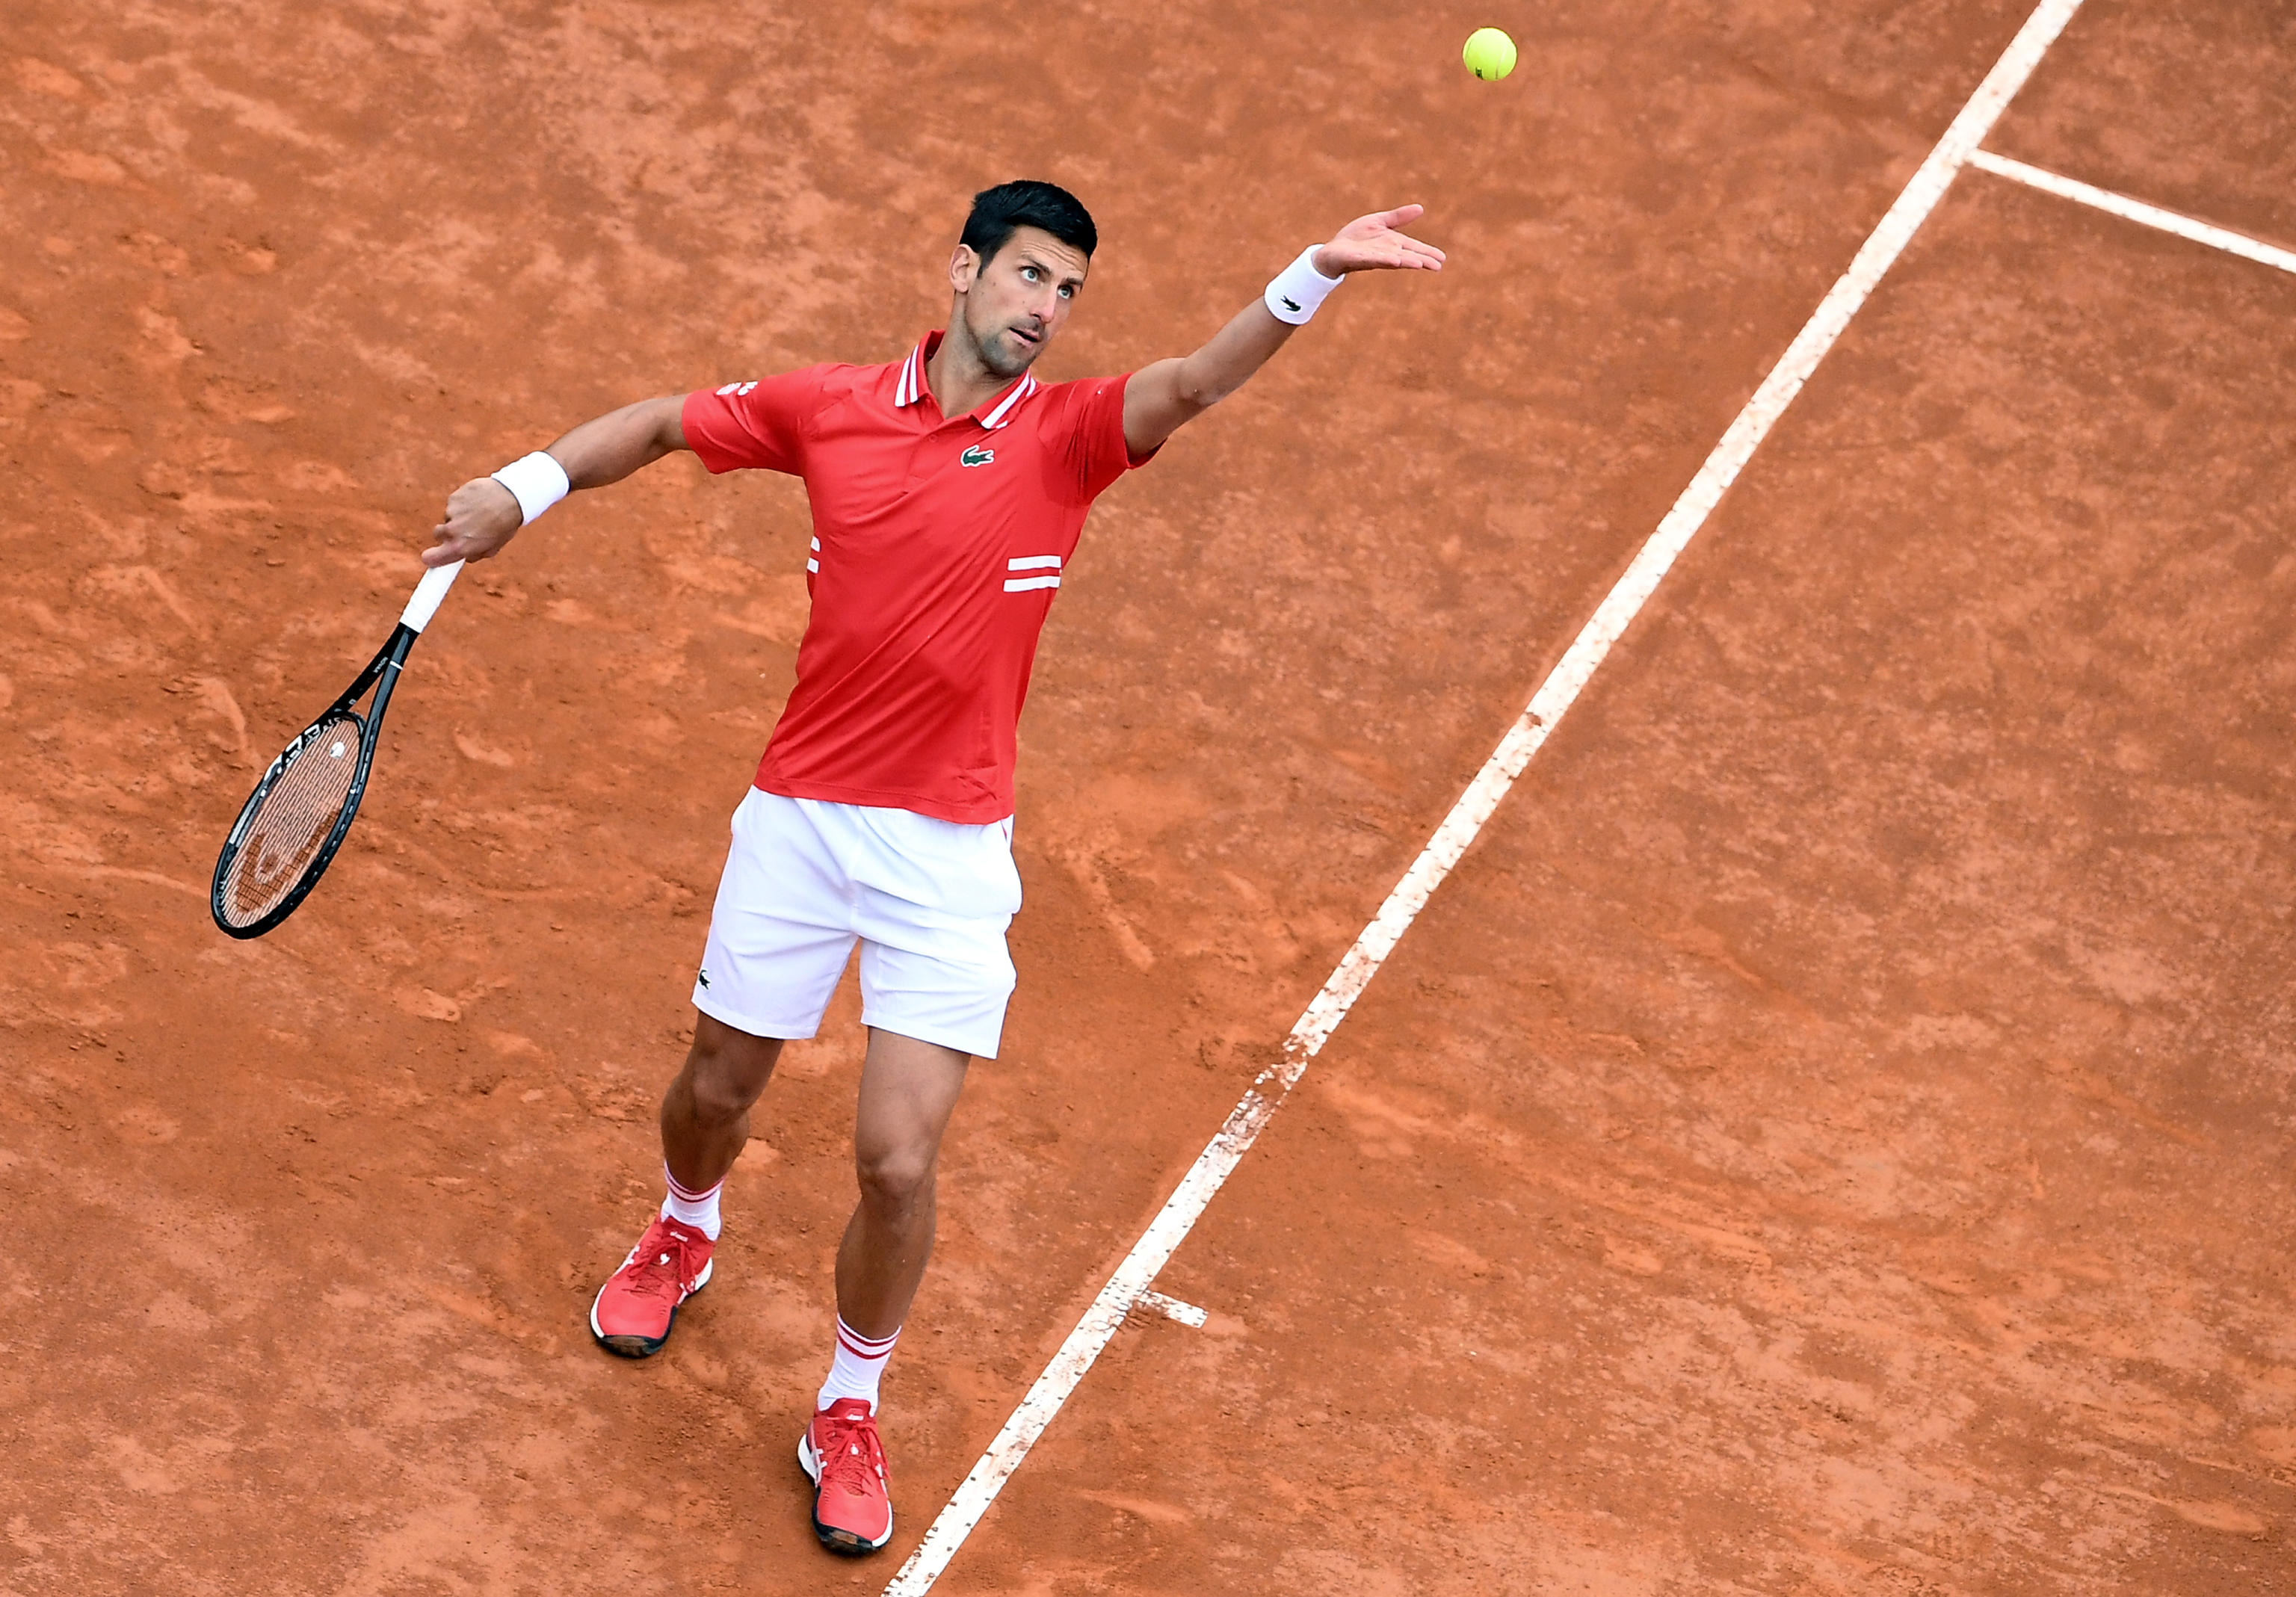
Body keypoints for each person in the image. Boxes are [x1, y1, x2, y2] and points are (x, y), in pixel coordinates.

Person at [422, 179, 1442, 1557]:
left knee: (897, 1160)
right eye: (1028, 277)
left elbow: (1196, 385)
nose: (1045, 309)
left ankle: (849, 1399)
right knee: (717, 1089)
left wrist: (1309, 274)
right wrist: (521, 487)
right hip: (798, 818)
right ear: (964, 270)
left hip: (949, 852)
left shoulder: (1074, 438)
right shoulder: (832, 405)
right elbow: (667, 423)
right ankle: (685, 1223)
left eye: (1069, 292)